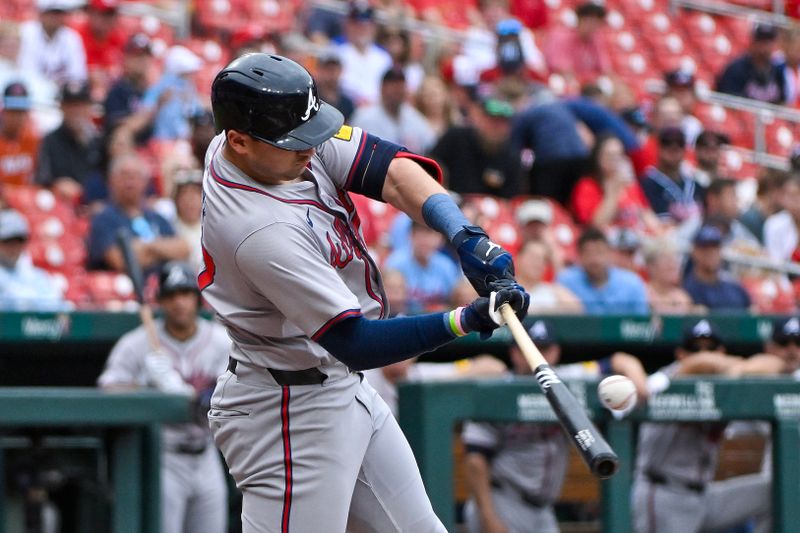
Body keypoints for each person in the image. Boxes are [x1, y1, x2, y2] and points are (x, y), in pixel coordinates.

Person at [201, 53, 528, 532]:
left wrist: (464, 235)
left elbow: (391, 170)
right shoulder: (258, 229)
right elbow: (356, 341)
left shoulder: (266, 146)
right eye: (295, 142)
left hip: (337, 386)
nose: (310, 150)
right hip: (287, 412)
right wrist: (467, 319)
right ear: (239, 141)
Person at [462, 319, 648, 533]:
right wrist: (488, 517)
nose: (538, 355)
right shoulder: (497, 389)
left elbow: (619, 360)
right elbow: (475, 459)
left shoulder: (565, 380)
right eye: (530, 349)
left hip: (543, 509)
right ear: (514, 352)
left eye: (545, 349)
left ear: (556, 351)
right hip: (503, 500)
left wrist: (637, 379)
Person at [98, 261, 230, 533]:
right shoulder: (137, 343)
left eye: (185, 294)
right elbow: (107, 391)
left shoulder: (221, 341)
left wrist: (197, 394)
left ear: (197, 299)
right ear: (159, 301)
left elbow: (235, 389)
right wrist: (143, 387)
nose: (179, 302)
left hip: (207, 455)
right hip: (164, 458)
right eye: (171, 296)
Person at [631, 318, 772, 533]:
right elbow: (698, 364)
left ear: (722, 350)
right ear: (680, 354)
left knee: (777, 492)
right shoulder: (667, 379)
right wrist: (737, 367)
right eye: (694, 348)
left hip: (704, 496)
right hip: (664, 494)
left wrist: (739, 369)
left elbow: (773, 365)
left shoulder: (724, 383)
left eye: (711, 347)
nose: (703, 354)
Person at [87, 153, 189, 275]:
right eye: (124, 176)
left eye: (135, 176)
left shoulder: (157, 217)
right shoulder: (103, 219)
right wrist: (163, 250)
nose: (130, 182)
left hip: (164, 288)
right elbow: (120, 261)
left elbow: (183, 249)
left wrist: (147, 246)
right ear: (111, 181)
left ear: (145, 182)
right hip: (125, 289)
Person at [429, 96, 522, 197]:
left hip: (490, 208)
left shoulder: (512, 156)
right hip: (450, 200)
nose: (496, 126)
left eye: (502, 122)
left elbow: (511, 198)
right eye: (492, 120)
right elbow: (431, 162)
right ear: (479, 118)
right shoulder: (456, 137)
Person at [569, 134, 661, 233]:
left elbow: (646, 213)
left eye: (619, 155)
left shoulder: (630, 185)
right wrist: (613, 194)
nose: (615, 160)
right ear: (598, 158)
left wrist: (660, 232)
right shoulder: (587, 186)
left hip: (638, 238)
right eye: (609, 155)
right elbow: (595, 226)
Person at [34, 81, 104, 203]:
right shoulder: (50, 141)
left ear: (89, 108)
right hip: (61, 205)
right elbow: (41, 181)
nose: (75, 111)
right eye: (70, 105)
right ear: (61, 107)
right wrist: (55, 185)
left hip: (94, 204)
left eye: (80, 105)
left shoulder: (99, 140)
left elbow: (107, 178)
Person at [557, 227, 649, 315]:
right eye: (588, 253)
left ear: (609, 254)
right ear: (579, 257)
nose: (595, 259)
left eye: (599, 252)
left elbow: (641, 323)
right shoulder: (565, 283)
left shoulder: (631, 284)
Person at [350, 66, 436, 155]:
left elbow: (431, 145)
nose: (397, 90)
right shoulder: (364, 117)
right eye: (393, 85)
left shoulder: (413, 116)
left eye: (400, 85)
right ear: (382, 88)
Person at [385, 221, 461, 313]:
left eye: (429, 235)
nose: (425, 241)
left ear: (440, 239)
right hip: (404, 320)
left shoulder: (446, 265)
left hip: (437, 320)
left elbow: (454, 300)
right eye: (420, 234)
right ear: (410, 236)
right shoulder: (395, 262)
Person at [0, 208, 66, 310]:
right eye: (7, 241)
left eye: (19, 241)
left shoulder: (38, 277)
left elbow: (58, 309)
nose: (13, 247)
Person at [641, 127, 705, 227]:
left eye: (679, 144)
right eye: (667, 143)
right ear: (659, 148)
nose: (673, 148)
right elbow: (660, 222)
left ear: (684, 150)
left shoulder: (695, 184)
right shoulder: (647, 183)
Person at [16, 0, 87, 85]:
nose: (56, 17)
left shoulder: (72, 37)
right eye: (52, 13)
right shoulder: (26, 32)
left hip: (63, 92)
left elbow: (78, 74)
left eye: (60, 13)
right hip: (32, 89)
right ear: (41, 14)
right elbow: (26, 71)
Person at [336, 1, 393, 106]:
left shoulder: (383, 57)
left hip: (378, 108)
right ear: (348, 25)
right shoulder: (336, 50)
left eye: (366, 25)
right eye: (357, 25)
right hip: (346, 106)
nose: (362, 29)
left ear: (373, 27)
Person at [683, 225, 752, 311]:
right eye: (705, 248)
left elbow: (752, 312)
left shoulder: (734, 288)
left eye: (715, 247)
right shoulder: (686, 290)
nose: (711, 253)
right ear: (694, 252)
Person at [543, 1, 610, 89]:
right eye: (589, 20)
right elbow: (562, 70)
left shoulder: (596, 40)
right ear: (579, 19)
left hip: (590, 87)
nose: (592, 25)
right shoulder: (561, 36)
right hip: (565, 87)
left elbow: (605, 69)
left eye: (597, 21)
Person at [716, 23, 784, 104]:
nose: (765, 47)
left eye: (769, 42)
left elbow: (782, 101)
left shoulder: (778, 71)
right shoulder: (736, 69)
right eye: (761, 41)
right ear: (753, 43)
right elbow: (728, 101)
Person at [515, 239, 582, 314]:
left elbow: (578, 309)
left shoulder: (554, 290)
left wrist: (541, 310)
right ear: (519, 259)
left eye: (543, 259)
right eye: (532, 257)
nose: (537, 263)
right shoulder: (506, 289)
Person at [642, 237, 697, 315]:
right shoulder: (642, 294)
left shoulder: (683, 298)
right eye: (666, 261)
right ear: (651, 266)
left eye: (675, 261)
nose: (672, 265)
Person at [0, 81, 39, 187]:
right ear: (3, 111)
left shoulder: (34, 139)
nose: (17, 117)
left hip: (26, 199)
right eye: (12, 111)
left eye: (21, 112)